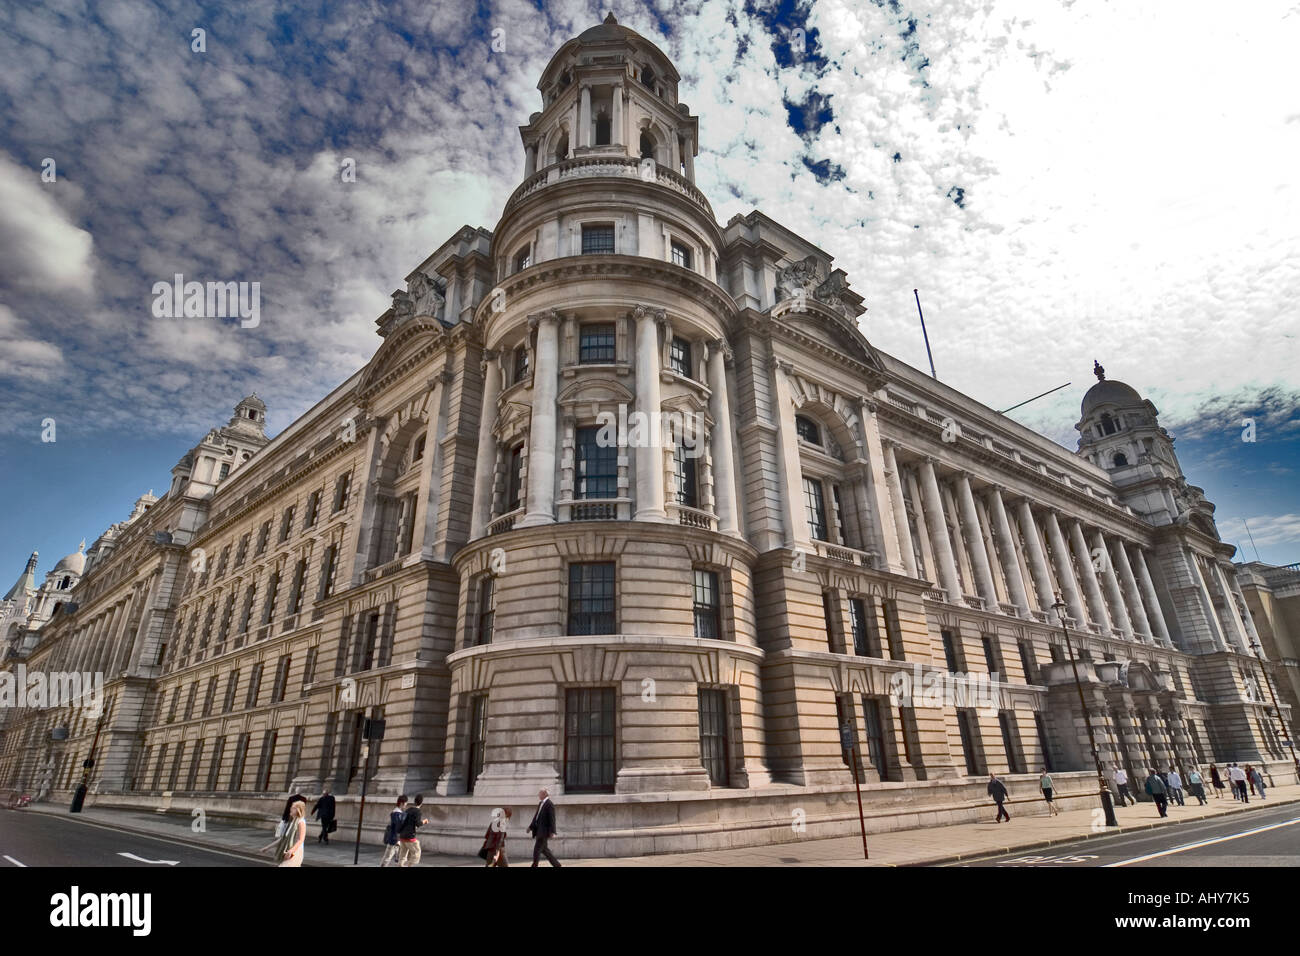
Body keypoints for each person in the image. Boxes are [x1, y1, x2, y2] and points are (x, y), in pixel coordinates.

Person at [527, 788, 561, 866]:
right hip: (539, 830)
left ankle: (534, 865)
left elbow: (552, 819)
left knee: (536, 850)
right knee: (545, 850)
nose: (538, 795)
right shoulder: (540, 803)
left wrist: (552, 831)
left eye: (540, 793)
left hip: (543, 832)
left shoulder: (549, 804)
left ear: (545, 794)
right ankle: (557, 865)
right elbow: (536, 817)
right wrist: (530, 827)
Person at [398, 794, 427, 867]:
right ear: (421, 803)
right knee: (417, 853)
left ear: (414, 802)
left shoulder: (408, 810)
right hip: (410, 836)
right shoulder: (418, 811)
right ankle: (409, 865)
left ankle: (400, 865)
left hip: (402, 836)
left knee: (403, 855)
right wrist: (424, 821)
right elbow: (418, 823)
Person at [380, 795, 408, 867]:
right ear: (401, 803)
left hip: (397, 840)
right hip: (394, 840)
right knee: (387, 858)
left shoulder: (398, 813)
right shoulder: (396, 814)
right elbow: (398, 828)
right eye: (405, 803)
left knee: (398, 860)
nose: (406, 804)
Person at [279, 800, 307, 867]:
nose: (291, 809)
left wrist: (291, 851)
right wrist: (267, 847)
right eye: (291, 807)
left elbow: (301, 839)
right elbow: (284, 838)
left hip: (295, 851)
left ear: (298, 810)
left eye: (294, 808)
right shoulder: (292, 822)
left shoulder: (301, 822)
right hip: (290, 849)